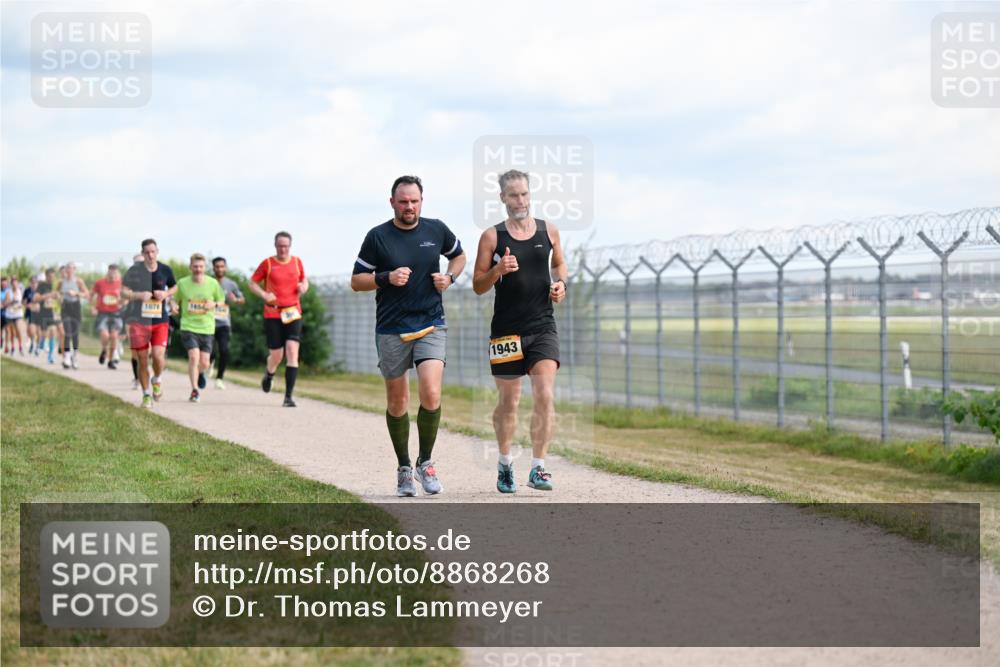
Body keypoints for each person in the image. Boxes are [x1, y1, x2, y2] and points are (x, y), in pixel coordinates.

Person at [351, 175, 466, 497]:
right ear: (392, 203)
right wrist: (385, 277)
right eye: (403, 202)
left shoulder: (436, 229)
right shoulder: (378, 237)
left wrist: (449, 277)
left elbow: (458, 255)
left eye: (414, 201)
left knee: (430, 393)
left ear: (422, 201)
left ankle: (425, 462)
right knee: (398, 402)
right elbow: (356, 281)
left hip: (431, 323)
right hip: (391, 329)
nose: (409, 207)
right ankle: (403, 468)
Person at [472, 169, 568, 493]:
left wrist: (561, 285)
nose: (520, 201)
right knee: (509, 403)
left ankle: (539, 468)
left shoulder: (549, 230)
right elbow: (477, 285)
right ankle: (504, 464)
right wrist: (498, 270)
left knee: (545, 395)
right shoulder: (492, 237)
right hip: (506, 333)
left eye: (524, 194)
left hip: (543, 326)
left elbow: (559, 265)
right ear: (502, 198)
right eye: (513, 195)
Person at [248, 231, 309, 407]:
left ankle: (288, 397)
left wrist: (303, 287)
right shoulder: (268, 263)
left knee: (292, 350)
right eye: (280, 246)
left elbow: (304, 281)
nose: (283, 249)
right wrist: (264, 294)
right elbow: (252, 283)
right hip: (273, 313)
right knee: (276, 355)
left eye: (286, 246)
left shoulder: (297, 262)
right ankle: (269, 373)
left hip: (293, 312)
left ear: (290, 246)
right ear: (275, 246)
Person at [121, 239, 177, 408]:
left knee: (159, 356)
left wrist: (165, 295)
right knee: (143, 359)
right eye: (147, 252)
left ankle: (157, 379)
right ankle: (146, 394)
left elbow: (174, 287)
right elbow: (123, 292)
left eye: (153, 252)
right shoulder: (134, 271)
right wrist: (138, 295)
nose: (150, 255)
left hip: (160, 320)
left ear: (157, 251)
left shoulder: (165, 269)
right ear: (143, 253)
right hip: (139, 321)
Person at [175, 253, 225, 403]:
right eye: (195, 266)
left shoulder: (213, 283)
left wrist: (214, 304)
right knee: (193, 356)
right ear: (190, 267)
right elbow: (173, 299)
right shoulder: (182, 283)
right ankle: (194, 390)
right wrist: (173, 306)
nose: (198, 269)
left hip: (207, 328)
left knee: (204, 362)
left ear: (205, 268)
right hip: (188, 326)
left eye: (201, 266)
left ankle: (201, 372)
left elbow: (221, 300)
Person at [209, 256, 245, 389]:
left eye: (222, 266)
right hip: (209, 322)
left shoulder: (231, 284)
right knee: (210, 351)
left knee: (224, 350)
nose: (219, 269)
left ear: (226, 268)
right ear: (213, 268)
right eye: (217, 266)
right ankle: (210, 362)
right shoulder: (208, 282)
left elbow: (242, 299)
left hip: (224, 323)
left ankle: (219, 379)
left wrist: (236, 300)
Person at [90, 264, 123, 369]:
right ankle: (104, 349)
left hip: (116, 313)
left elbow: (127, 296)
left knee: (113, 337)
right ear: (108, 272)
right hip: (102, 313)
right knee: (105, 336)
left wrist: (123, 302)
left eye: (115, 273)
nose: (113, 275)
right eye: (111, 273)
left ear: (118, 273)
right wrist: (93, 307)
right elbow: (91, 295)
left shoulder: (121, 283)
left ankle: (111, 360)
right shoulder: (100, 283)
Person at [58, 262, 89, 369]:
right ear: (65, 270)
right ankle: (66, 357)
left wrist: (76, 293)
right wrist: (60, 297)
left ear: (74, 270)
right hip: (65, 307)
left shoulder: (79, 281)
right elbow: (57, 293)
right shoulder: (61, 282)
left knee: (75, 334)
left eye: (71, 269)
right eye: (67, 269)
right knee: (67, 332)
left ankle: (74, 356)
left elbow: (86, 294)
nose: (69, 271)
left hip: (76, 307)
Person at [32, 269, 62, 365]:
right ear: (46, 276)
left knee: (53, 331)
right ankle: (40, 344)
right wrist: (47, 296)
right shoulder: (41, 285)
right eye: (49, 276)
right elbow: (35, 298)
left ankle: (50, 355)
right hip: (43, 313)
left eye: (53, 276)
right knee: (44, 334)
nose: (51, 278)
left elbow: (60, 299)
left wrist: (58, 297)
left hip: (52, 312)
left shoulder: (56, 286)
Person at [2, 277, 27, 355]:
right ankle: (13, 348)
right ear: (11, 284)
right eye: (13, 283)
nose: (14, 285)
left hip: (18, 314)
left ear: (17, 283)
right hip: (9, 315)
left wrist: (22, 305)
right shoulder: (8, 292)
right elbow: (4, 304)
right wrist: (11, 302)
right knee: (12, 332)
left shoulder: (20, 291)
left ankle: (20, 347)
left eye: (16, 283)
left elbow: (23, 302)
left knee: (19, 330)